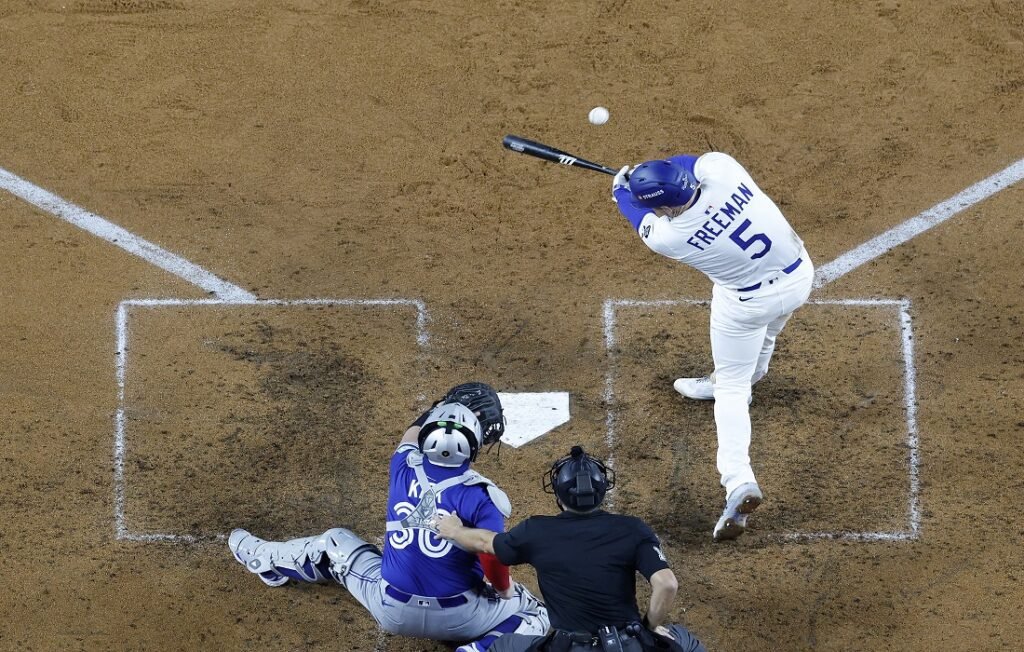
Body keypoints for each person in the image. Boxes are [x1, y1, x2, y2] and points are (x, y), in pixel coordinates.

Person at [227, 383, 549, 652]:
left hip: (391, 610)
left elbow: (411, 434)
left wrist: (441, 407)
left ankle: (264, 558)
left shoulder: (403, 466)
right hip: (461, 617)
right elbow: (492, 559)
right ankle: (478, 650)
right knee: (536, 613)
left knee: (333, 543)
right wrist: (504, 592)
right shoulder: (484, 497)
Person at [610, 153, 814, 541]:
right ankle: (749, 375)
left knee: (732, 388)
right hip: (798, 277)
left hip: (747, 304)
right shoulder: (724, 168)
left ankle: (738, 480)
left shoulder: (671, 238)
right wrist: (644, 172)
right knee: (767, 332)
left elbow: (638, 215)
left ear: (665, 206)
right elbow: (685, 161)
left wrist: (622, 189)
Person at [436, 445, 706, 652]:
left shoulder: (536, 531)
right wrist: (648, 627)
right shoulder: (633, 529)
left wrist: (455, 531)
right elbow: (667, 584)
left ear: (559, 494)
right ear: (602, 490)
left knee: (505, 645)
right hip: (630, 645)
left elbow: (485, 543)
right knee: (685, 640)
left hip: (570, 647)